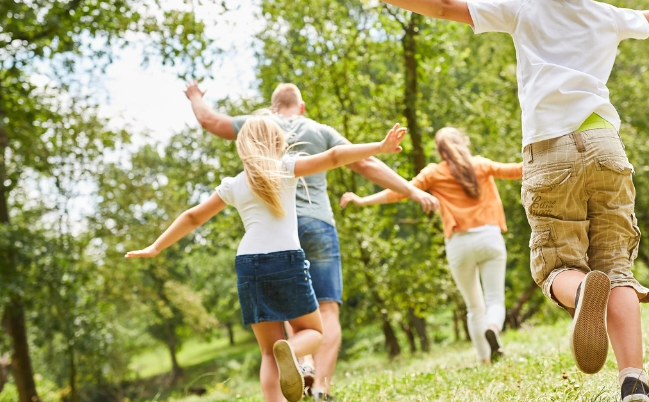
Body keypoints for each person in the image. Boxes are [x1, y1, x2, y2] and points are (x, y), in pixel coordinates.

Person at [319, 0, 649, 402]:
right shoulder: (603, 14)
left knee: (555, 266)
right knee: (618, 269)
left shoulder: (521, 11)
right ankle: (634, 382)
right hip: (605, 145)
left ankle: (579, 293)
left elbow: (444, 4)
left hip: (550, 152)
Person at [126, 116, 409, 402]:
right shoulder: (286, 168)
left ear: (243, 147)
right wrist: (380, 146)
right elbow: (335, 156)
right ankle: (290, 349)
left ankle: (281, 362)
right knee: (312, 331)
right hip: (286, 260)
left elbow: (192, 216)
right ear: (277, 142)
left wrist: (156, 247)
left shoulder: (234, 184)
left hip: (248, 265)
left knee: (267, 351)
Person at [184, 81, 437, 400]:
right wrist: (412, 190)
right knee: (326, 312)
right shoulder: (319, 129)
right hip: (317, 224)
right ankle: (320, 388)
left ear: (273, 108)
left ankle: (301, 366)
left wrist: (195, 96)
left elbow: (210, 121)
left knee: (291, 310)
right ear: (301, 107)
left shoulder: (257, 126)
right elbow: (363, 163)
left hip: (273, 234)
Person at [339, 127, 522, 364]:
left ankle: (484, 360)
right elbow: (518, 170)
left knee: (473, 306)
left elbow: (401, 191)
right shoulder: (481, 165)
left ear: (439, 150)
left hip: (459, 244)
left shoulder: (434, 173)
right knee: (494, 300)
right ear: (463, 143)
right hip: (489, 237)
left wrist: (363, 200)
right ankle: (493, 328)